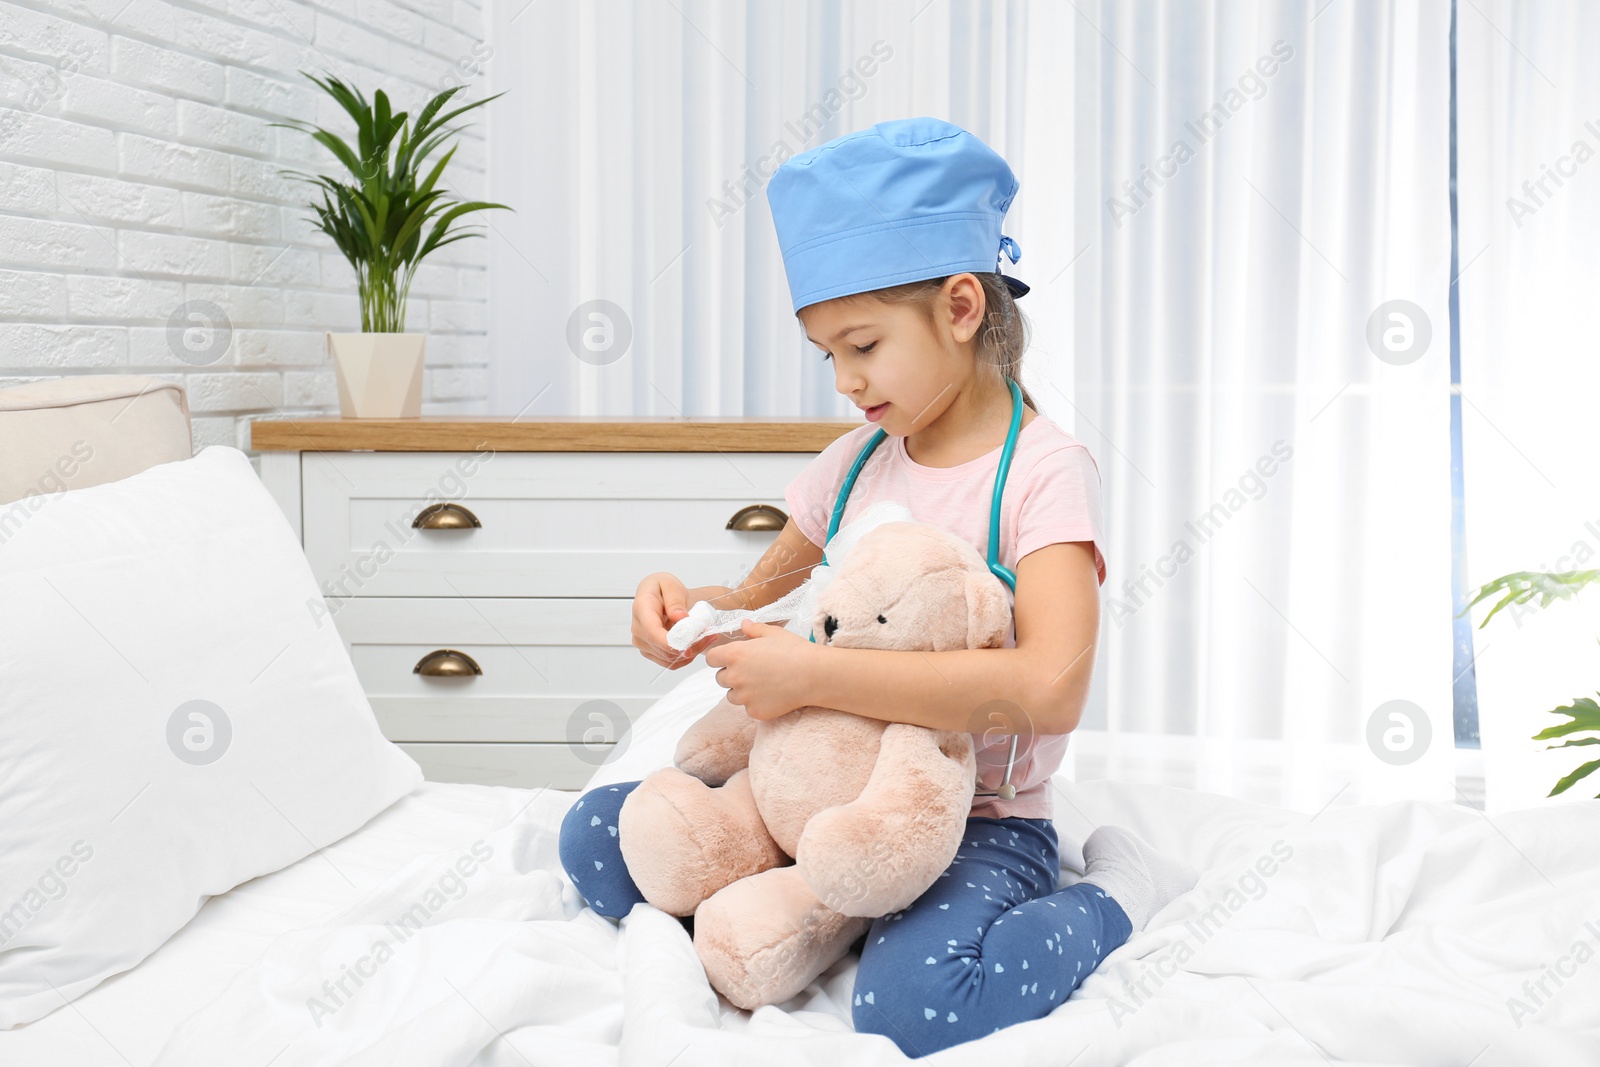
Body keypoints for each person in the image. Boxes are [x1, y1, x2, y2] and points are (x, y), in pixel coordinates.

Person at [559, 117, 1197, 1058]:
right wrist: (685, 608)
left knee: (917, 1008)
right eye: (827, 354)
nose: (846, 381)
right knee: (596, 842)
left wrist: (813, 681)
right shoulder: (850, 467)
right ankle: (829, 903)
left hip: (965, 818)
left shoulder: (1043, 473)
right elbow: (755, 603)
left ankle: (1112, 897)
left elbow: (1049, 684)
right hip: (808, 795)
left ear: (963, 307)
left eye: (862, 344)